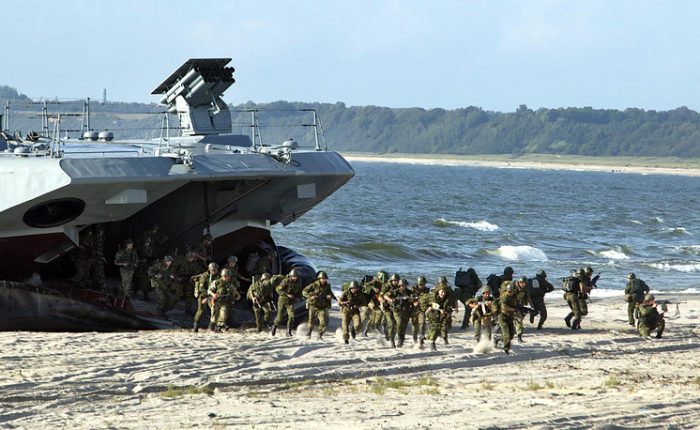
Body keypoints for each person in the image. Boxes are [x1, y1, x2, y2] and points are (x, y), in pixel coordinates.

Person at [302, 271, 336, 339]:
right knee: (311, 320)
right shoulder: (314, 285)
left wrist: (332, 297)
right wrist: (310, 296)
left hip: (322, 306)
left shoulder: (327, 286)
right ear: (319, 279)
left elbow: (330, 293)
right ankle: (309, 332)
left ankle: (320, 335)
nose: (323, 280)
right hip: (313, 305)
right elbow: (304, 291)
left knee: (323, 321)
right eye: (322, 278)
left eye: (325, 279)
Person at [271, 268, 303, 337]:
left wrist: (299, 297)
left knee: (291, 316)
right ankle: (274, 326)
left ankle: (288, 332)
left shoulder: (299, 282)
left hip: (290, 302)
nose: (295, 278)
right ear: (291, 276)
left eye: (296, 277)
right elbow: (278, 290)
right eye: (293, 277)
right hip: (282, 300)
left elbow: (299, 292)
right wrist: (287, 294)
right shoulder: (285, 281)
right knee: (279, 317)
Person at [208, 268, 242, 332]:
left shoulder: (229, 283)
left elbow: (233, 289)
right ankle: (211, 328)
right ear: (223, 276)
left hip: (225, 301)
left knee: (223, 315)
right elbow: (209, 290)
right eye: (226, 276)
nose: (228, 277)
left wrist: (238, 295)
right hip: (216, 301)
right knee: (214, 316)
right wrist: (213, 294)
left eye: (229, 276)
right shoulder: (216, 282)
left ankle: (218, 328)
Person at [426, 283, 455, 351]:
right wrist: (429, 308)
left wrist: (445, 311)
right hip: (433, 316)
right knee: (434, 329)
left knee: (444, 328)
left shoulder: (448, 299)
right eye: (442, 291)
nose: (443, 293)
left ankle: (443, 338)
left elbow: (450, 308)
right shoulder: (432, 298)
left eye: (444, 292)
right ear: (438, 291)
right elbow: (425, 305)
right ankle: (432, 345)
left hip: (443, 316)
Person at [384, 278, 413, 347]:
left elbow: (413, 299)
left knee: (404, 326)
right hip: (397, 311)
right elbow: (385, 296)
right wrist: (391, 300)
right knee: (398, 323)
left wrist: (408, 298)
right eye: (402, 285)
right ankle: (392, 341)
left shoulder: (409, 292)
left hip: (406, 311)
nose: (403, 287)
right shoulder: (395, 292)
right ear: (399, 286)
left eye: (405, 285)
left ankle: (401, 340)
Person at [192, 262, 219, 332]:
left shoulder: (217, 276)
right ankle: (195, 325)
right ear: (210, 270)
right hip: (203, 295)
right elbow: (201, 288)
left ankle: (211, 326)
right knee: (201, 310)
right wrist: (208, 294)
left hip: (212, 295)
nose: (215, 272)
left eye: (216, 270)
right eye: (213, 270)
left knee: (215, 309)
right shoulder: (204, 276)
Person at [362, 271, 387, 336]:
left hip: (377, 300)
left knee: (378, 313)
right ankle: (366, 330)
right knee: (371, 313)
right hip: (370, 300)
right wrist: (373, 288)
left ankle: (371, 328)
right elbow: (365, 285)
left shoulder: (385, 283)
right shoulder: (374, 281)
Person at [380, 273, 401, 347]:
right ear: (391, 280)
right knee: (391, 323)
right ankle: (392, 341)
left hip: (396, 308)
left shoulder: (399, 286)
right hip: (387, 308)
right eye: (394, 281)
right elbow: (381, 296)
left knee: (396, 324)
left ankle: (390, 335)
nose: (396, 282)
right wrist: (385, 302)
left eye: (397, 281)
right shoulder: (386, 286)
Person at [410, 276, 431, 347]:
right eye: (421, 285)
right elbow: (409, 298)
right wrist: (413, 302)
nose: (422, 286)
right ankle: (414, 339)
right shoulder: (413, 290)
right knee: (414, 325)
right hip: (414, 310)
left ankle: (421, 340)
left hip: (422, 310)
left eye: (424, 284)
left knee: (422, 325)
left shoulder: (427, 290)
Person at [498, 281, 517, 354]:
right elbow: (504, 307)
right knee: (507, 334)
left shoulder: (512, 297)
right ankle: (506, 349)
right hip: (503, 317)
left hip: (509, 317)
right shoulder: (505, 297)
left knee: (511, 334)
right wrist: (514, 309)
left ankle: (497, 339)